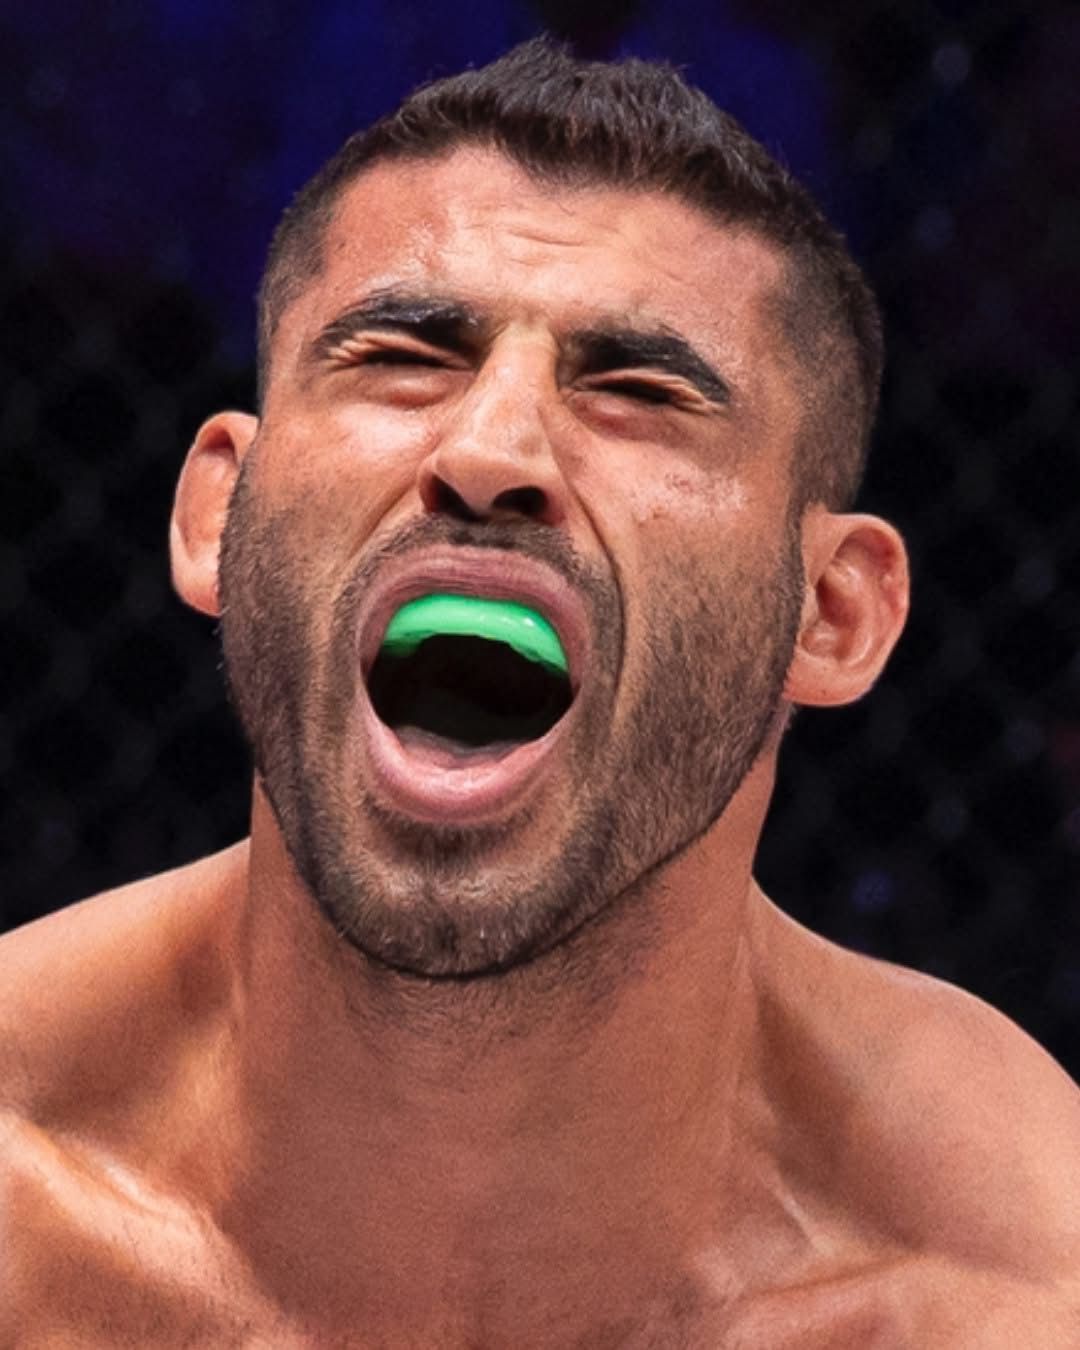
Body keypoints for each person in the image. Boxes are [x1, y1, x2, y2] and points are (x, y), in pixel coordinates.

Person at [3, 38, 1078, 1346]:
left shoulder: (1016, 1292)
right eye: (403, 355)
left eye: (638, 390)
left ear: (833, 612)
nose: (490, 448)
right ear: (216, 513)